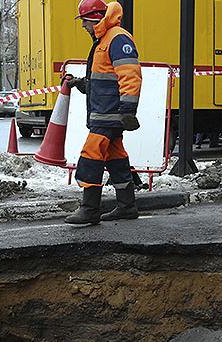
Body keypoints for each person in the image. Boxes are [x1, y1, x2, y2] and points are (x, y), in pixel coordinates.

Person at [64, 0, 142, 224]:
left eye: (85, 21)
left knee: (91, 155)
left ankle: (89, 208)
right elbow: (105, 80)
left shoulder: (117, 38)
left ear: (96, 17)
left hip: (110, 113)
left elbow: (130, 75)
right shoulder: (104, 40)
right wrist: (81, 83)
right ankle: (127, 206)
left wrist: (128, 109)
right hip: (106, 111)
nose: (83, 26)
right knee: (116, 157)